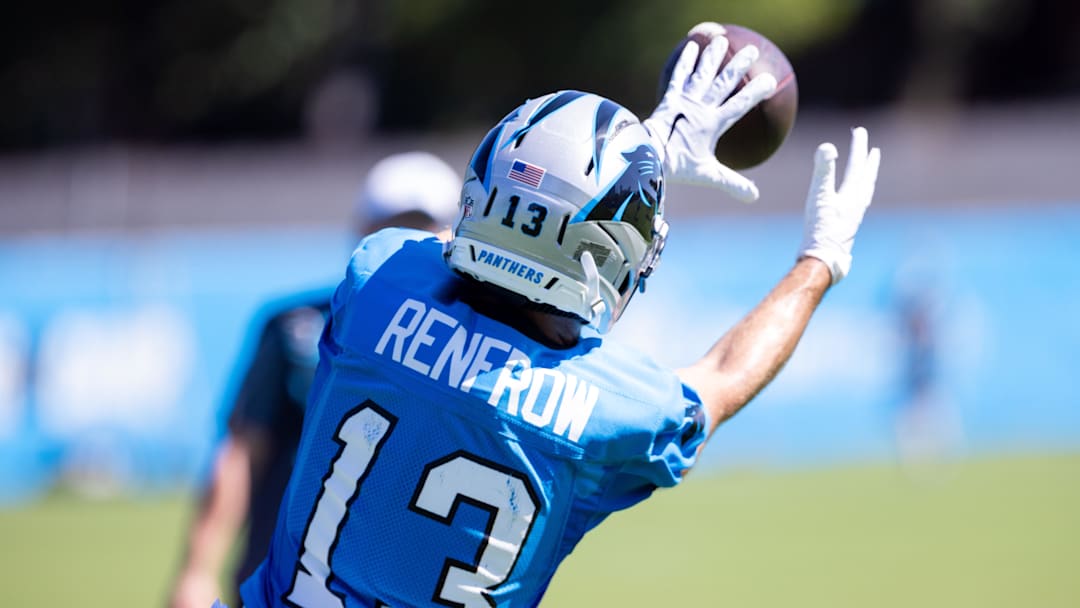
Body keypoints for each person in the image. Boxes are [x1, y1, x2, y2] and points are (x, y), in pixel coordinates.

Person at [239, 32, 880, 608]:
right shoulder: (608, 409)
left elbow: (458, 244)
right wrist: (819, 260)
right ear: (610, 259)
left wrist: (636, 148)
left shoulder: (376, 280)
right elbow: (724, 375)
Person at [169, 152, 463, 608]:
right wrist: (197, 570)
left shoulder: (471, 351)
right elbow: (242, 453)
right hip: (283, 581)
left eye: (424, 228)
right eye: (394, 228)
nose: (411, 244)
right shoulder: (296, 327)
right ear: (362, 231)